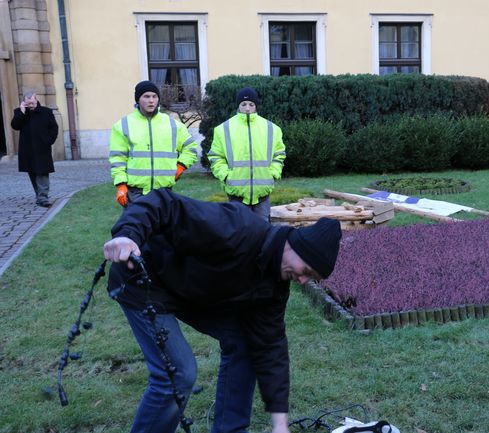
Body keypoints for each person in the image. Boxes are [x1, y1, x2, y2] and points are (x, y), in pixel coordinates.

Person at [102, 188, 342, 433]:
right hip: (144, 280)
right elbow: (163, 203)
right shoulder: (236, 228)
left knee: (249, 342)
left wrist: (280, 426)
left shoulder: (274, 286)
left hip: (191, 291)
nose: (302, 281)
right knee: (178, 373)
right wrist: (128, 234)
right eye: (307, 272)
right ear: (293, 247)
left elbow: (272, 349)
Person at [109, 80, 198, 207]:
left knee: (164, 227)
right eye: (146, 96)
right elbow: (118, 158)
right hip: (135, 193)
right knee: (137, 227)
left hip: (164, 192)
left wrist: (181, 166)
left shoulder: (172, 125)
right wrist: (121, 185)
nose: (151, 100)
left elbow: (190, 147)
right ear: (138, 100)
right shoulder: (123, 125)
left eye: (154, 96)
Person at [207, 87, 286, 220]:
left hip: (263, 193)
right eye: (243, 104)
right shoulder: (223, 129)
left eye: (251, 104)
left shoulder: (272, 128)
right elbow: (215, 156)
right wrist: (226, 176)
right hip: (236, 193)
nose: (247, 108)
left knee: (263, 233)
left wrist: (273, 174)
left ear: (256, 106)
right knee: (239, 233)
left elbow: (279, 154)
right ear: (238, 106)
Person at [10, 91, 58, 208]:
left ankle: (43, 197)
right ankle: (40, 196)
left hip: (42, 148)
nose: (30, 105)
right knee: (32, 172)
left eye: (32, 102)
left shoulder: (46, 112)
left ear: (36, 100)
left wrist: (48, 141)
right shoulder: (20, 112)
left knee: (42, 173)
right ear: (24, 102)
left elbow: (54, 128)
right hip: (27, 149)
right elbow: (15, 126)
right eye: (28, 103)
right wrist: (21, 112)